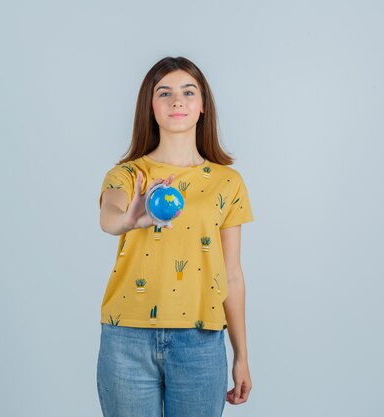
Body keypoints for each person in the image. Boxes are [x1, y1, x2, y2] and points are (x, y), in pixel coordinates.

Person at [97, 56, 255, 417]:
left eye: (188, 92)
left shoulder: (227, 182)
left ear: (202, 107)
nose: (177, 101)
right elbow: (109, 218)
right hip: (127, 338)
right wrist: (130, 219)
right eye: (164, 93)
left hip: (200, 341)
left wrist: (242, 355)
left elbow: (232, 274)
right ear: (150, 107)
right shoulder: (126, 175)